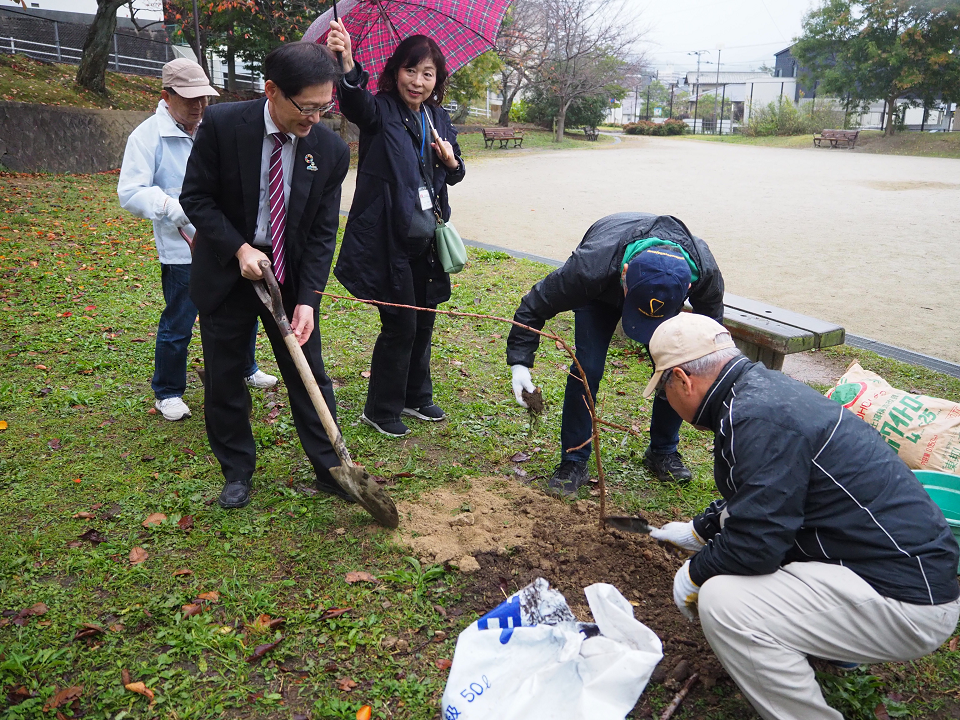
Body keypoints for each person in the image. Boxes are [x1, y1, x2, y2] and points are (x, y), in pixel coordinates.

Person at [644, 313, 960, 720]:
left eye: (663, 390)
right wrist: (698, 531)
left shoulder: (753, 418)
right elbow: (768, 497)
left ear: (683, 380)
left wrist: (693, 574)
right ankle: (829, 642)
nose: (666, 400)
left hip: (907, 599)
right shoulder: (763, 394)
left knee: (725, 603)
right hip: (896, 567)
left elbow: (755, 545)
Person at [179, 42, 350, 509]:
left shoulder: (331, 150)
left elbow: (321, 232)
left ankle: (332, 469)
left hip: (289, 275)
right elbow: (196, 199)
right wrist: (238, 248)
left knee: (308, 371)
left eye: (325, 106)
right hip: (228, 269)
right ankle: (236, 471)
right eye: (307, 107)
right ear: (271, 90)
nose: (315, 118)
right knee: (226, 374)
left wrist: (309, 299)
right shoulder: (221, 124)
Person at [506, 212, 724, 496]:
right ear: (624, 274)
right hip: (600, 293)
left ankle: (663, 450)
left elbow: (708, 338)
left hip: (655, 296)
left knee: (677, 366)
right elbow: (536, 304)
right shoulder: (589, 267)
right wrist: (520, 364)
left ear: (689, 288)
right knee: (587, 369)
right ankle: (574, 460)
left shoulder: (704, 272)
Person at [326, 22, 466, 438]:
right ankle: (381, 408)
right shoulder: (380, 109)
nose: (418, 82)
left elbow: (455, 173)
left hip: (427, 237)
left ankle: (415, 394)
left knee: (425, 319)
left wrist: (450, 161)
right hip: (388, 237)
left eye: (428, 74)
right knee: (401, 323)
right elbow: (354, 102)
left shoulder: (437, 116)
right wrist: (348, 63)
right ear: (396, 71)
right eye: (411, 71)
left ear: (437, 79)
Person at [118, 58, 276, 423]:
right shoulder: (147, 136)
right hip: (183, 249)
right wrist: (171, 207)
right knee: (180, 320)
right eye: (188, 98)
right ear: (166, 96)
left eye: (203, 97)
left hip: (231, 243)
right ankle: (168, 390)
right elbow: (129, 192)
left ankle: (246, 367)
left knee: (243, 309)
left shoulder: (217, 127)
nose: (198, 105)